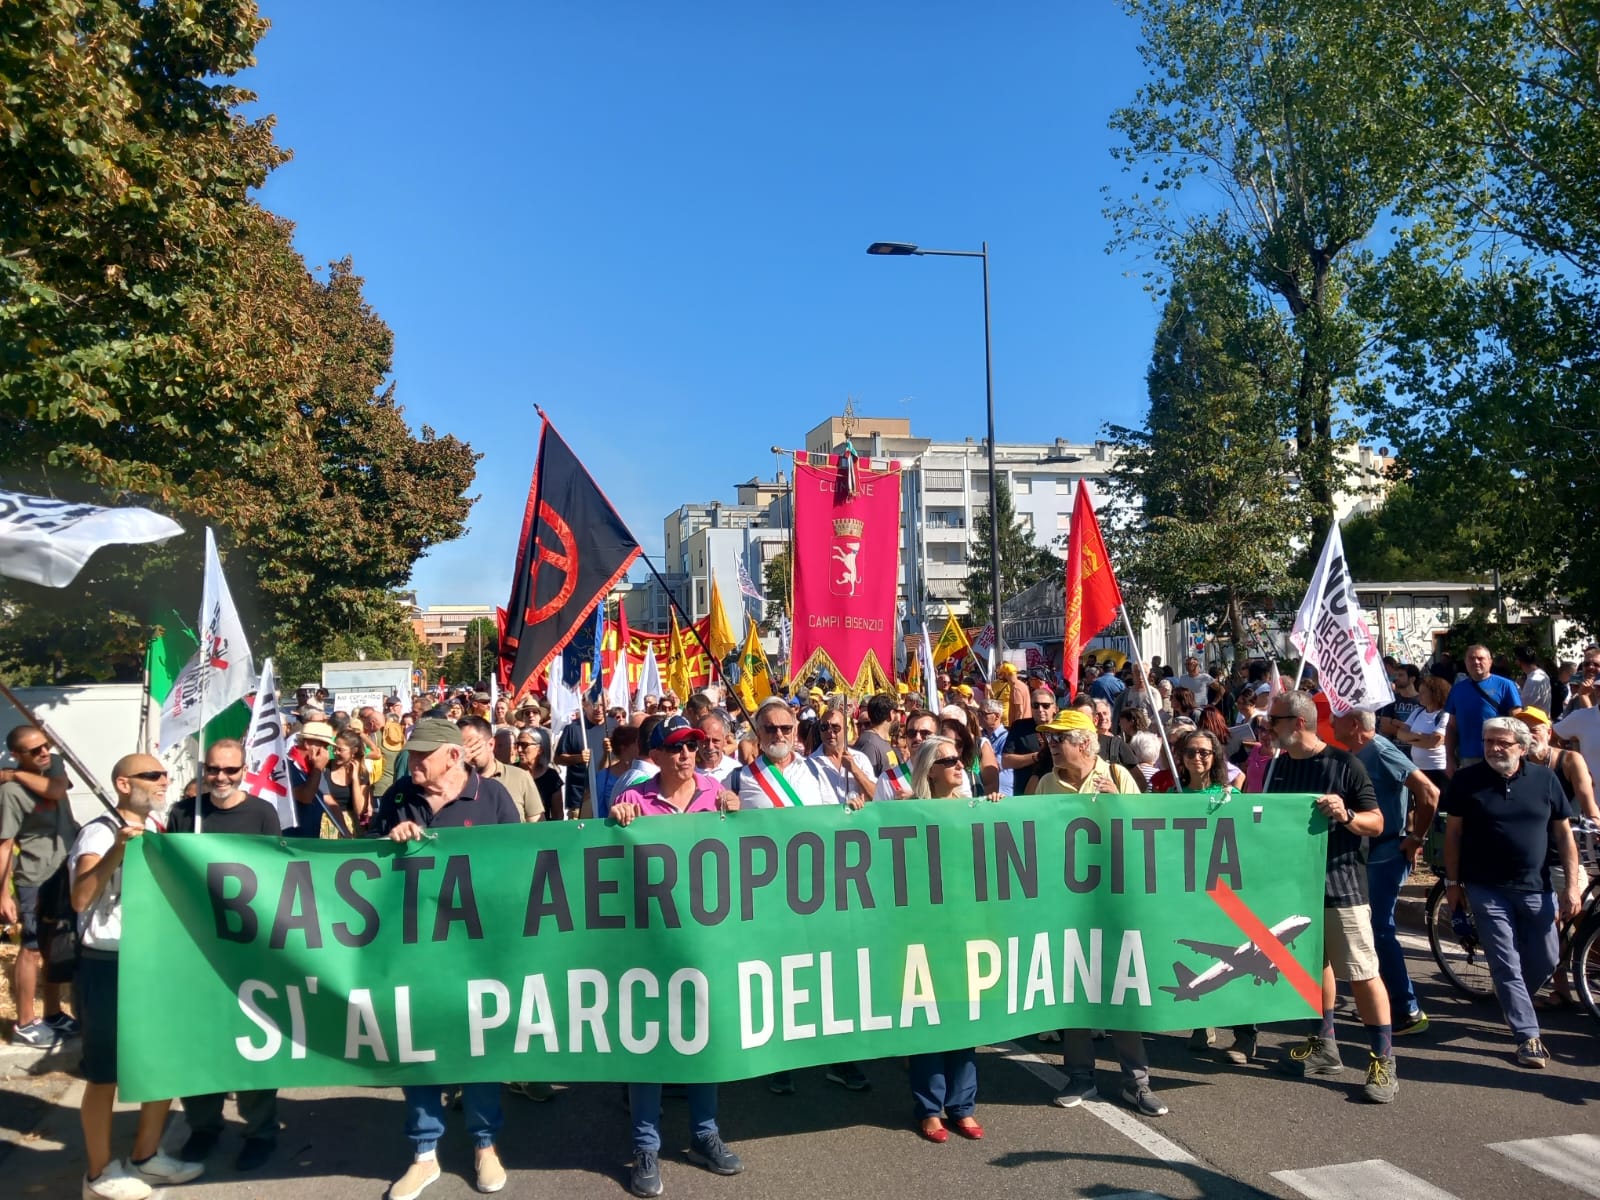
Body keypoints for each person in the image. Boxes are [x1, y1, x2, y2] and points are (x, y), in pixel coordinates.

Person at [372, 719, 521, 1197]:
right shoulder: (397, 797)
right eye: (412, 755)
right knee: (416, 1044)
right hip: (414, 947)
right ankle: (423, 1153)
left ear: (453, 756)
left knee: (478, 1045)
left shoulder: (494, 797)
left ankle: (484, 1144)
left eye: (423, 756)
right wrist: (391, 841)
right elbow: (364, 865)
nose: (413, 763)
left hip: (476, 949)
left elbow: (518, 868)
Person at [610, 721, 742, 1196]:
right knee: (651, 1046)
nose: (687, 754)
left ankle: (705, 1134)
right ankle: (645, 1145)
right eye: (676, 748)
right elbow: (610, 860)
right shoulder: (637, 799)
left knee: (703, 1038)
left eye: (693, 746)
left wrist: (737, 812)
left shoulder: (717, 792)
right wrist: (618, 821)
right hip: (652, 943)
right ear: (658, 755)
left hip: (704, 941)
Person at [70, 754, 204, 1199]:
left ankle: (147, 1156)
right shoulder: (99, 832)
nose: (165, 780)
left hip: (154, 962)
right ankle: (98, 1173)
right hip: (108, 965)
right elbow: (81, 897)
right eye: (153, 775)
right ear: (124, 784)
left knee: (163, 1062)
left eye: (165, 774)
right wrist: (117, 851)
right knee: (104, 1073)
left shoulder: (158, 830)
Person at [1260, 691, 1396, 1102]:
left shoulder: (1344, 765)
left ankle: (1383, 1060)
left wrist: (1347, 814)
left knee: (1361, 971)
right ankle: (1324, 1044)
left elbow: (1376, 822)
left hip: (1341, 886)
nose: (1267, 729)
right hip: (1296, 890)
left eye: (1274, 721)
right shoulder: (1277, 769)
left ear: (1297, 723)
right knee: (1314, 967)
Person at [1029, 710, 1166, 1115]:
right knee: (1073, 990)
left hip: (1112, 902)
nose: (1052, 745)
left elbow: (1145, 833)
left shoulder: (1120, 777)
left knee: (1120, 988)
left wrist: (1118, 804)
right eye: (1050, 739)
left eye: (1060, 739)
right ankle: (1080, 1076)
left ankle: (1136, 1082)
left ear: (1085, 743)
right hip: (1067, 904)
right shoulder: (1047, 784)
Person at [164, 739, 283, 1170]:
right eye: (213, 769)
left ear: (243, 770)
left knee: (253, 1042)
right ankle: (203, 1127)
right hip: (195, 950)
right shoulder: (183, 814)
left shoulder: (262, 814)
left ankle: (260, 1132)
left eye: (230, 771)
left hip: (247, 951)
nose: (221, 778)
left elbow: (277, 878)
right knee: (199, 1042)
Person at [1441, 717, 1582, 1067]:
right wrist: (1453, 883)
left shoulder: (1546, 780)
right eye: (1488, 741)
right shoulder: (1466, 781)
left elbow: (1564, 836)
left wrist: (1573, 885)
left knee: (1549, 958)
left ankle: (1513, 1001)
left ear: (1521, 746)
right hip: (1486, 888)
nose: (1494, 748)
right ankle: (1528, 1036)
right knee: (1505, 962)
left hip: (1537, 886)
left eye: (1502, 742)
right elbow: (1454, 834)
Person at [901, 735, 989, 1141]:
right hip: (923, 930)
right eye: (949, 760)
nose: (959, 764)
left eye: (961, 758)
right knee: (928, 1018)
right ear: (929, 771)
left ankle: (962, 1105)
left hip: (967, 926)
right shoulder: (908, 812)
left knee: (964, 1016)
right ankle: (929, 1108)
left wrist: (999, 815)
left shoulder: (977, 809)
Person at [1332, 711, 1440, 1038]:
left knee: (1378, 928)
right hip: (1367, 850)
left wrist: (1416, 836)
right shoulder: (1358, 753)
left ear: (1354, 726)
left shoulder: (1380, 749)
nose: (1331, 723)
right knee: (1366, 927)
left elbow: (1429, 791)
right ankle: (1385, 999)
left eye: (1337, 718)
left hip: (1388, 849)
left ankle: (1408, 1010)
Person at [0, 723, 77, 1046]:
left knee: (54, 945)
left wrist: (15, 773)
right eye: (35, 751)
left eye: (45, 745)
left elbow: (57, 789)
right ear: (17, 755)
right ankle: (24, 1023)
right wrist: (3, 893)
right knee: (30, 950)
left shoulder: (53, 765)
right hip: (34, 878)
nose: (45, 752)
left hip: (64, 871)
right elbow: (5, 845)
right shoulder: (9, 793)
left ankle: (53, 1013)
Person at [729, 696, 833, 808]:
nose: (779, 734)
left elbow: (833, 817)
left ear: (794, 732)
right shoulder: (739, 778)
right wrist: (724, 804)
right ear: (759, 733)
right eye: (771, 729)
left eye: (786, 728)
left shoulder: (816, 770)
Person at [1444, 644, 1522, 774]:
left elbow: (1517, 722)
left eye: (1480, 658)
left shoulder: (1505, 685)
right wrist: (1449, 758)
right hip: (1468, 757)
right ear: (1465, 662)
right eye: (1471, 658)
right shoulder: (1457, 689)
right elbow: (1452, 727)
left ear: (1490, 662)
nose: (1475, 662)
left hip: (1499, 753)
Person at [458, 716, 542, 823]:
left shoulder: (520, 777)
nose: (467, 753)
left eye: (472, 746)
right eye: (461, 748)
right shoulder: (453, 785)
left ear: (491, 744)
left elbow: (536, 825)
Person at [554, 695, 614, 819]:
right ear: (585, 706)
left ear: (608, 705)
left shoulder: (614, 727)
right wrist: (578, 758)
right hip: (580, 797)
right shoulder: (573, 729)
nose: (598, 709)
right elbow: (558, 758)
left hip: (608, 794)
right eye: (594, 705)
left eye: (602, 705)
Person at [809, 703, 875, 808]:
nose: (830, 732)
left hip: (857, 822)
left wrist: (854, 769)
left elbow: (875, 796)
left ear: (846, 730)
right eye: (824, 727)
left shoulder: (860, 759)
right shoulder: (810, 764)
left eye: (835, 727)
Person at [1394, 675, 1452, 791]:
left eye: (1423, 692)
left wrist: (1410, 739)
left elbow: (1434, 742)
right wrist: (1420, 737)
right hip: (1418, 768)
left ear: (1435, 694)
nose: (1419, 695)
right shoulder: (1417, 712)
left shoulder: (1445, 715)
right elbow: (1400, 734)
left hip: (1438, 770)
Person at [1002, 687, 1056, 797]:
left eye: (1045, 705)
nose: (1040, 709)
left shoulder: (1062, 729)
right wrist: (1037, 757)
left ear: (1055, 708)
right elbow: (1006, 761)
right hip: (1024, 794)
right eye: (1035, 706)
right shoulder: (1019, 727)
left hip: (1055, 793)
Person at [324, 728, 374, 831]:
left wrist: (355, 779)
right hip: (326, 822)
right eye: (334, 748)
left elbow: (360, 810)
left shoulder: (362, 773)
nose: (336, 753)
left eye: (340, 750)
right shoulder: (325, 768)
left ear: (354, 751)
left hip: (350, 826)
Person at [694, 712, 742, 785]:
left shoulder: (735, 770)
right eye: (705, 741)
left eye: (716, 741)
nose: (710, 747)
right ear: (697, 740)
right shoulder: (687, 770)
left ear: (725, 740)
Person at [979, 700, 1012, 796]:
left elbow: (997, 764)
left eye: (983, 713)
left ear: (997, 716)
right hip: (985, 791)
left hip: (1002, 793)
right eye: (978, 712)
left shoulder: (1007, 738)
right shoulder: (981, 736)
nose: (979, 716)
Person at [1516, 647, 1553, 716]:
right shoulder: (1542, 674)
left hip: (1535, 721)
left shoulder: (1534, 679)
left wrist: (1518, 687)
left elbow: (1524, 705)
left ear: (1518, 661)